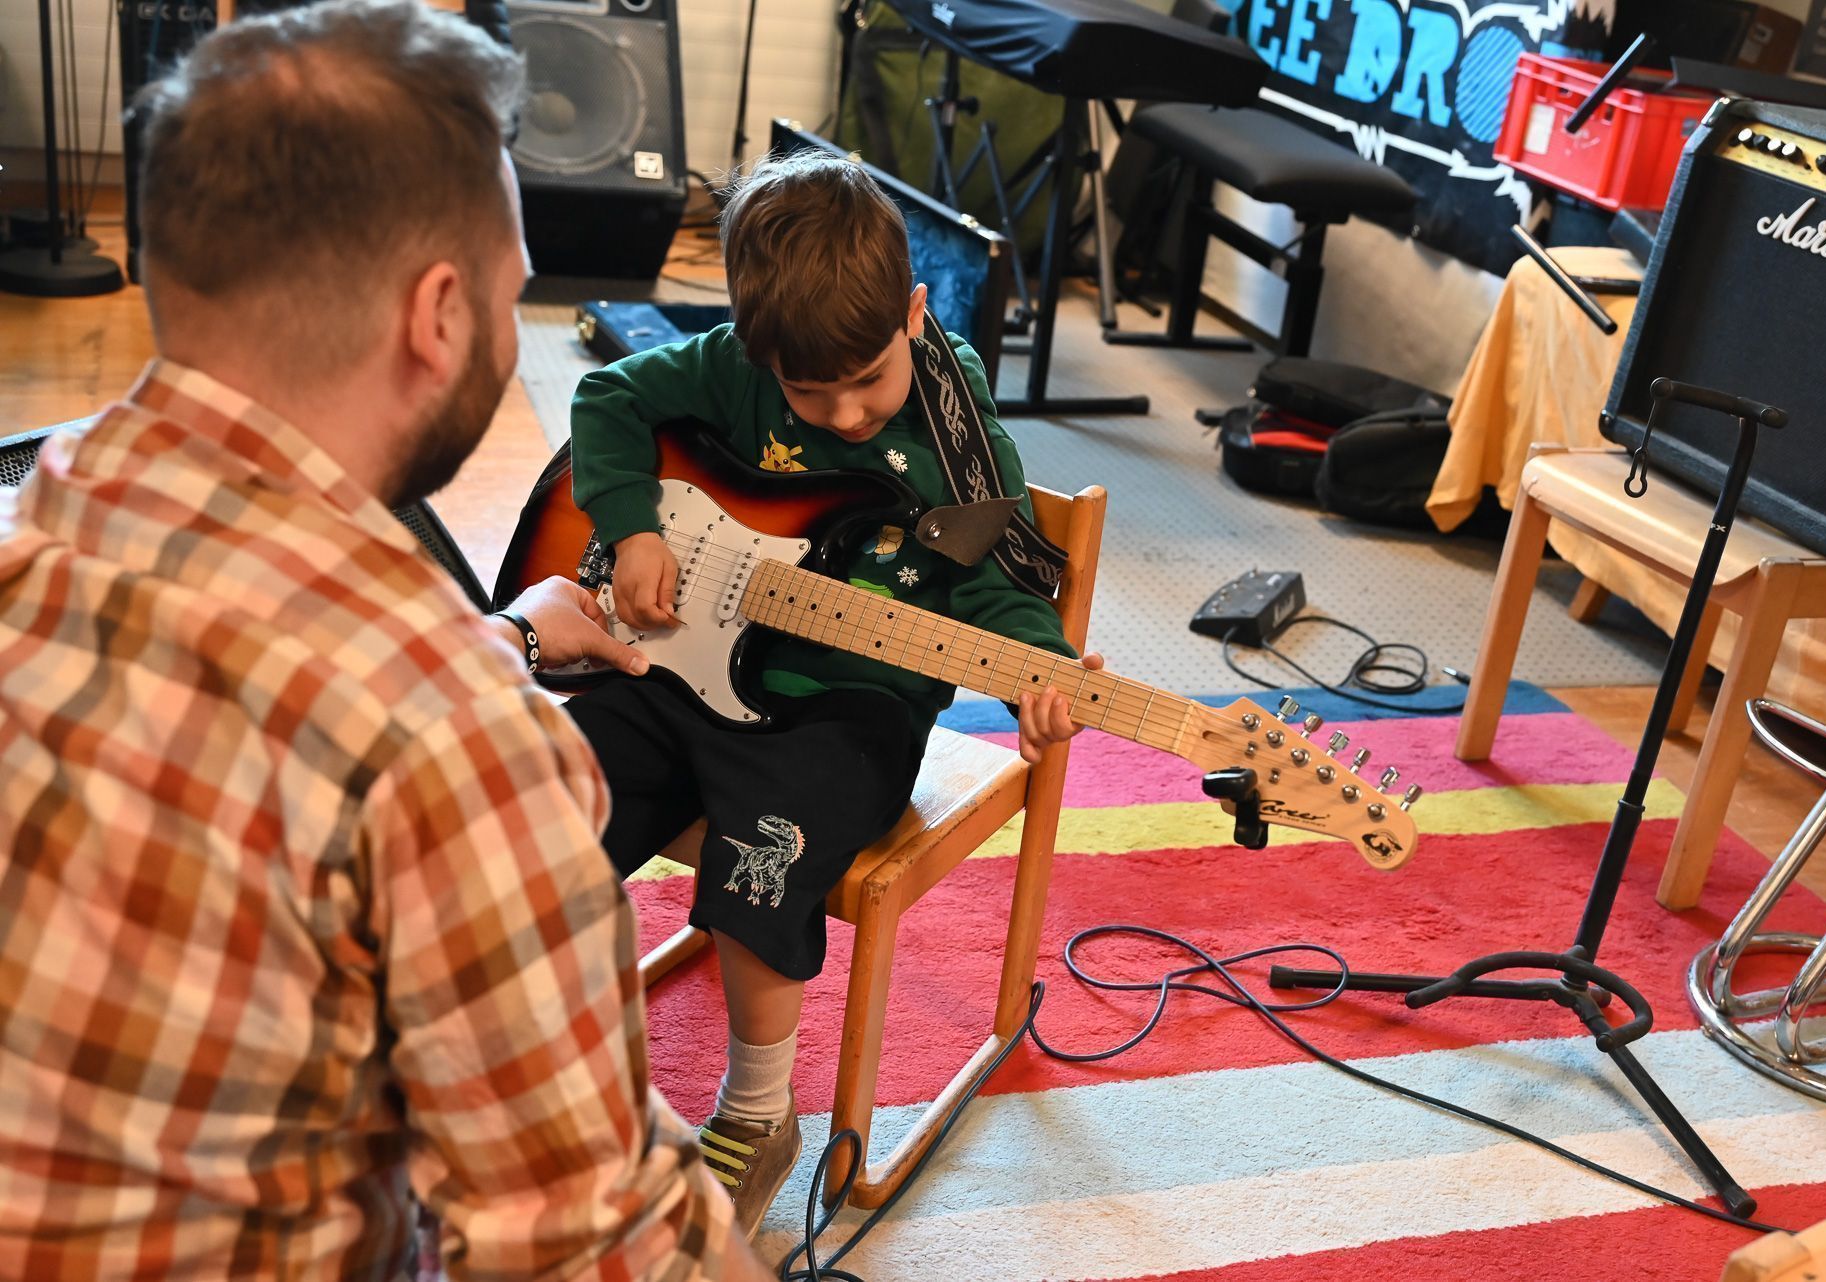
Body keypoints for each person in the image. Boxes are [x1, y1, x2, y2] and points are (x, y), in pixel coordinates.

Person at [0, 2, 769, 1277]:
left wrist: (497, 640)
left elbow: (243, 684)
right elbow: (600, 1248)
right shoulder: (457, 743)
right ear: (439, 313)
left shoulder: (42, 517)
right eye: (514, 292)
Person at [565, 151, 1103, 1237]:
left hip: (853, 706)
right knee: (546, 791)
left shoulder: (954, 428)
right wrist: (629, 528)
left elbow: (996, 588)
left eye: (869, 379)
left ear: (915, 312)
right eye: (812, 394)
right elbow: (607, 395)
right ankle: (523, 1050)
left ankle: (757, 1112)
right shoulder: (737, 367)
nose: (849, 414)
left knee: (762, 856)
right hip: (690, 663)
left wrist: (1036, 674)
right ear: (757, 350)